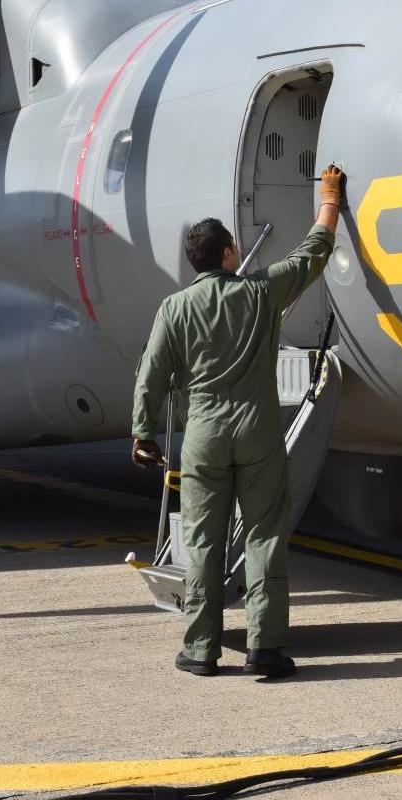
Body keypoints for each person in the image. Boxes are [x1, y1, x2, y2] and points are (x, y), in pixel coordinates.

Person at [130, 164, 346, 680]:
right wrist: (330, 199)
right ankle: (265, 647)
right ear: (228, 254)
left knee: (203, 542)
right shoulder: (260, 292)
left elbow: (151, 374)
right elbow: (311, 255)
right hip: (257, 431)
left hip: (202, 434)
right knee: (265, 534)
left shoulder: (174, 308)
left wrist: (143, 432)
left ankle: (201, 650)